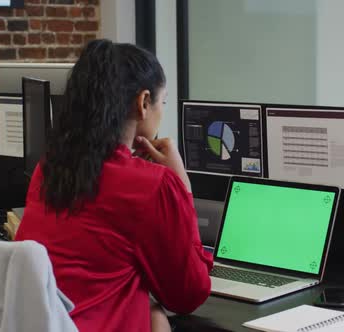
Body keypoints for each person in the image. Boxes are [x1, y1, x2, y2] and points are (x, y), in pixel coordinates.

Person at [15, 39, 213, 332]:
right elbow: (189, 294)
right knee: (156, 314)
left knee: (152, 311)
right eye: (163, 102)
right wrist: (182, 188)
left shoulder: (49, 167)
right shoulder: (151, 185)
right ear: (143, 102)